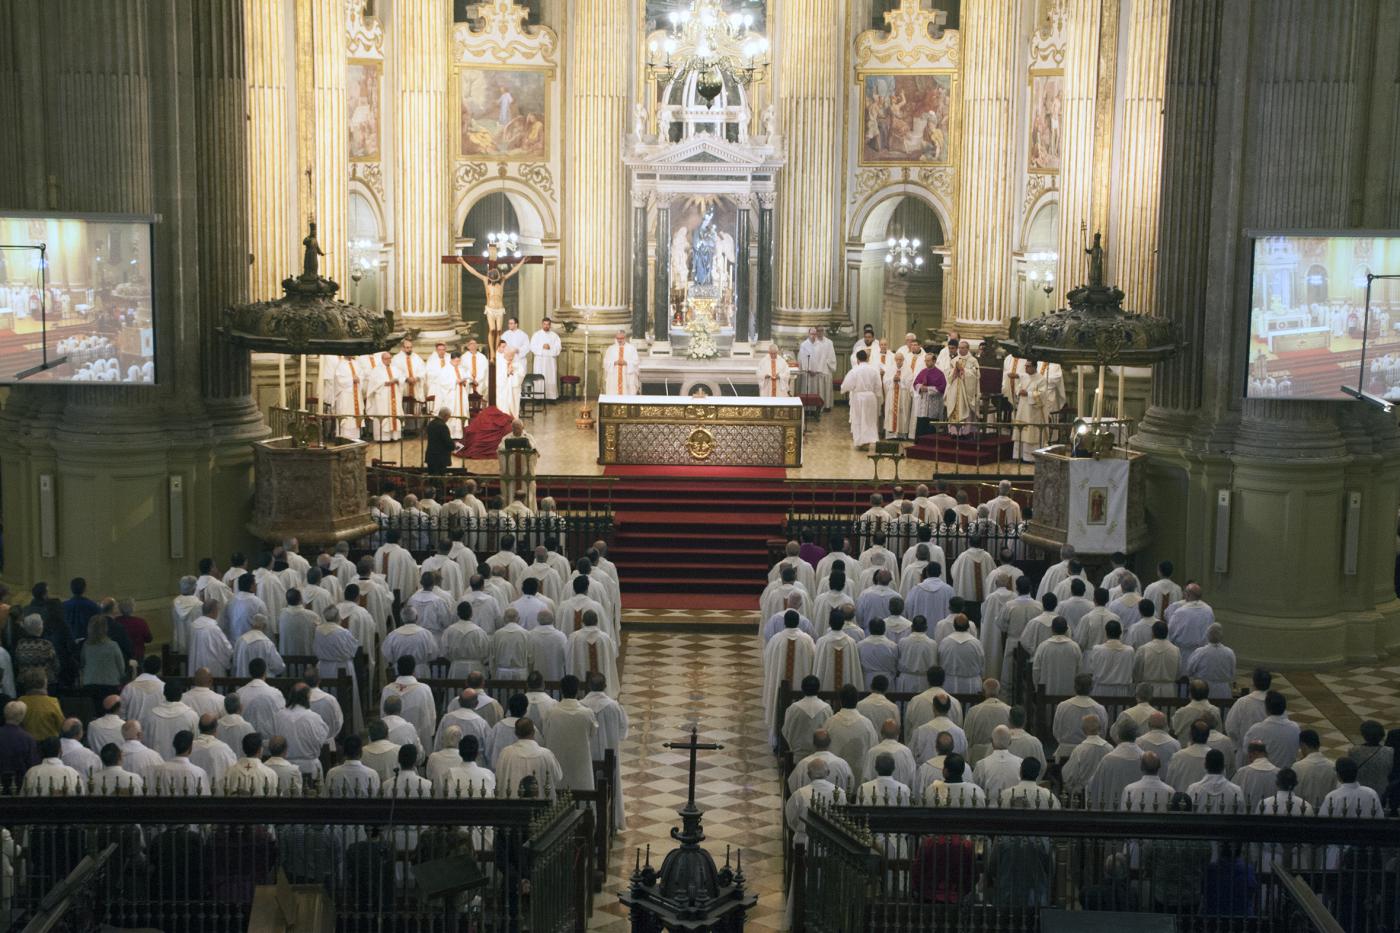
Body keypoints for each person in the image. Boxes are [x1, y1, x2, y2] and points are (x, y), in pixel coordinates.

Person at [1002, 356, 1065, 461]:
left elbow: (1042, 394)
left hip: (1033, 411)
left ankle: (1030, 457)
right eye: (1025, 366)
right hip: (1022, 408)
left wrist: (1028, 394)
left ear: (1034, 367)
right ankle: (1019, 455)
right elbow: (1019, 387)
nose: (1025, 368)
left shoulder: (1041, 379)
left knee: (1031, 433)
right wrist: (1019, 391)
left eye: (1028, 366)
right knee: (1020, 432)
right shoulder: (1024, 377)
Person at [840, 350, 882, 447]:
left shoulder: (855, 370)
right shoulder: (873, 370)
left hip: (859, 397)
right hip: (871, 397)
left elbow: (846, 385)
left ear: (858, 359)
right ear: (867, 358)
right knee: (870, 420)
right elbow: (878, 385)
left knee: (859, 419)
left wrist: (844, 389)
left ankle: (860, 442)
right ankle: (868, 441)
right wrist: (876, 394)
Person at [80, 615, 127, 696]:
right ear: (106, 628)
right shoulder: (113, 645)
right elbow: (121, 667)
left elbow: (82, 663)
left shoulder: (86, 646)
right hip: (110, 684)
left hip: (90, 684)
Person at [942, 340, 980, 436]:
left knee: (965, 407)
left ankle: (966, 432)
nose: (961, 350)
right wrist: (955, 370)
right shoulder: (954, 360)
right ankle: (954, 432)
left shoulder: (973, 360)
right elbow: (949, 376)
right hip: (955, 389)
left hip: (966, 390)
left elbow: (976, 375)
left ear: (968, 349)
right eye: (960, 348)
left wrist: (963, 370)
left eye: (963, 348)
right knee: (954, 406)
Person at [798, 326, 837, 409]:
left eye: (815, 334)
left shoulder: (820, 345)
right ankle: (807, 407)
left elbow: (822, 358)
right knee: (808, 390)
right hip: (808, 373)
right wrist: (808, 369)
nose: (813, 335)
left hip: (817, 373)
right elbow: (802, 358)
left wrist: (817, 370)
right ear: (808, 334)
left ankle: (818, 408)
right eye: (812, 334)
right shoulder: (804, 344)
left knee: (817, 391)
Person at [528, 317, 562, 399]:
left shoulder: (555, 336)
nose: (546, 326)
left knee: (551, 378)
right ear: (542, 324)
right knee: (539, 379)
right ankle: (538, 397)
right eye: (544, 324)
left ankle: (551, 397)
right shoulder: (536, 335)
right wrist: (542, 346)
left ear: (550, 325)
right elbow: (532, 346)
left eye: (548, 324)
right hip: (540, 361)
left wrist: (550, 347)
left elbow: (558, 348)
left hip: (550, 361)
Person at [601, 330, 641, 396]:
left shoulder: (631, 348)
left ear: (625, 338)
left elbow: (636, 362)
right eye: (618, 338)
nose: (619, 340)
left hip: (627, 377)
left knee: (627, 394)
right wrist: (615, 362)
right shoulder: (611, 349)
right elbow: (605, 363)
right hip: (614, 377)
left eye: (621, 338)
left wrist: (626, 363)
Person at [423, 406, 455, 474]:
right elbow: (447, 441)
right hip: (440, 458)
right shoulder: (442, 426)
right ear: (445, 416)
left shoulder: (431, 423)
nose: (448, 419)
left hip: (431, 456)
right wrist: (454, 446)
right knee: (439, 479)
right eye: (448, 417)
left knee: (431, 477)